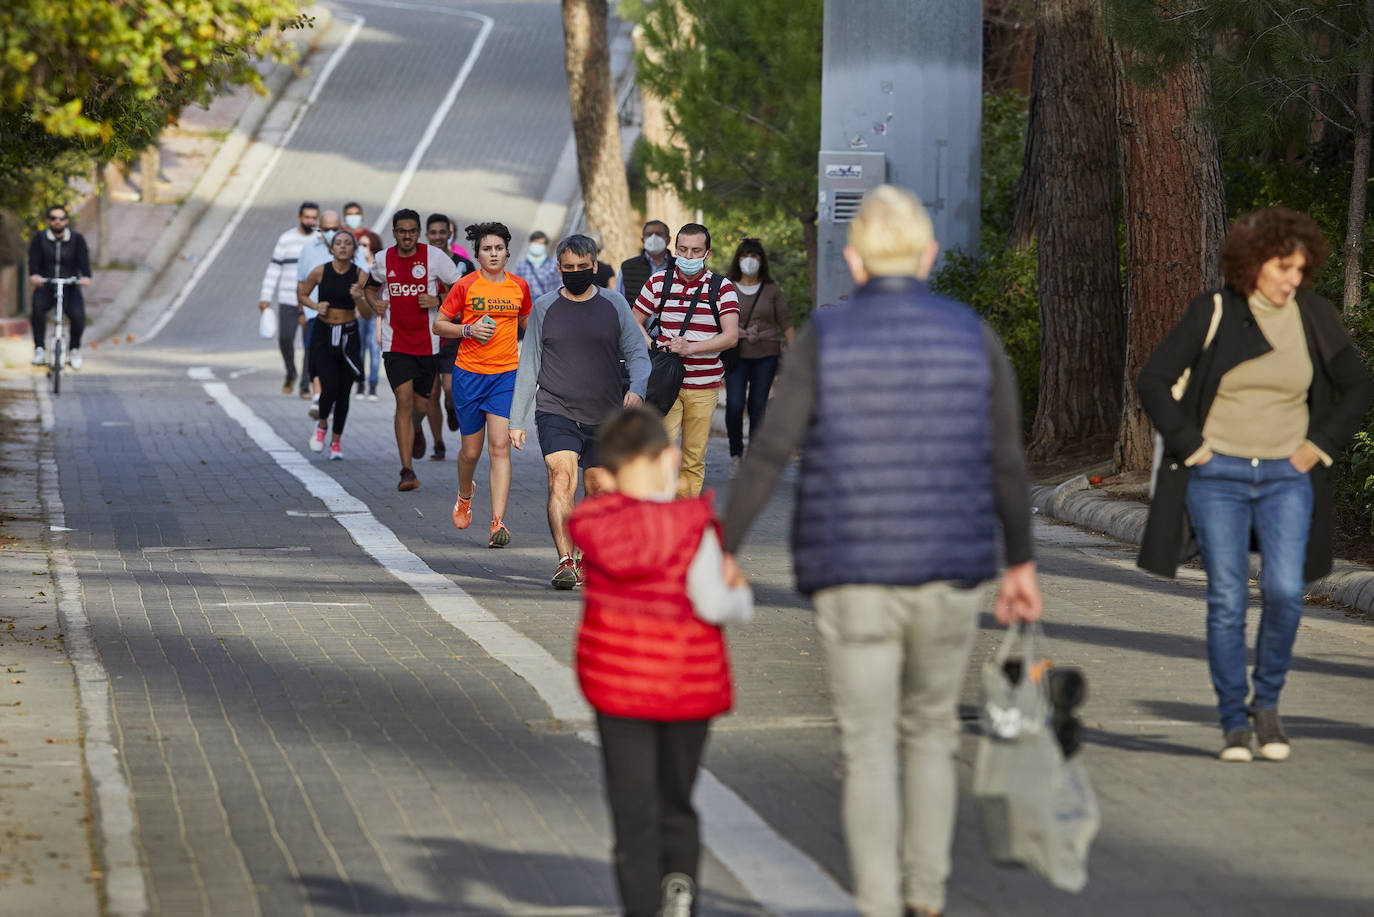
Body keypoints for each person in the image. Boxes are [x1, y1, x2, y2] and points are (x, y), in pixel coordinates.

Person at [721, 185, 1042, 917]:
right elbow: (1006, 461)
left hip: (851, 569)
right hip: (950, 567)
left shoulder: (825, 340)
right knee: (930, 734)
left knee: (867, 745)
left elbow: (771, 448)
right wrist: (1019, 563)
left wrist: (725, 546)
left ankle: (875, 901)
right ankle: (925, 896)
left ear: (853, 260)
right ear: (928, 258)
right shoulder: (972, 336)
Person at [1137, 207, 1374, 763]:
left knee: (1287, 591)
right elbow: (1153, 379)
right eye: (1282, 266)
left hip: (1286, 478)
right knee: (1226, 598)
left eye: (1300, 267)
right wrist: (1191, 445)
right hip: (1216, 476)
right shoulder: (1215, 311)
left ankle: (1266, 706)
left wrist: (1318, 447)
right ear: (1252, 264)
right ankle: (1232, 722)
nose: (1293, 278)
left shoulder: (1313, 315)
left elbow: (1357, 385)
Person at [568, 405, 751, 917]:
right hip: (688, 692)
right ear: (671, 458)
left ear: (604, 474)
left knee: (633, 817)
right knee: (677, 804)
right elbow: (719, 604)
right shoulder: (696, 526)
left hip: (619, 691)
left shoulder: (594, 526)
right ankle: (681, 892)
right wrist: (738, 592)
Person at [510, 234, 653, 589]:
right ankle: (565, 562)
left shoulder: (615, 305)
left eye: (582, 268)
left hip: (605, 415)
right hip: (555, 408)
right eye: (568, 268)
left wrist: (636, 391)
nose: (574, 273)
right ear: (559, 268)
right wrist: (517, 419)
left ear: (594, 267)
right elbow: (529, 364)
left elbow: (638, 354)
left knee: (597, 488)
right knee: (561, 479)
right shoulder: (544, 307)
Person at [434, 221, 533, 546]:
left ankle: (497, 523)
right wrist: (468, 330)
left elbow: (529, 325)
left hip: (505, 375)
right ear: (477, 254)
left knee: (500, 447)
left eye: (498, 248)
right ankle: (465, 494)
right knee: (470, 452)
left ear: (507, 252)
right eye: (487, 249)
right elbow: (439, 325)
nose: (493, 254)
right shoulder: (465, 286)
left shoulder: (518, 286)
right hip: (469, 375)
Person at [632, 223, 739, 498]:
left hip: (704, 385)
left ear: (708, 253)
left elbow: (731, 337)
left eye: (695, 251)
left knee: (693, 459)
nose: (689, 257)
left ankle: (683, 519)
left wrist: (690, 348)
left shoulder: (721, 288)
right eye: (683, 250)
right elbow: (633, 322)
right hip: (665, 384)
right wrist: (654, 344)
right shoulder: (658, 282)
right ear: (675, 249)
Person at [363, 209, 462, 492]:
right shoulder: (383, 260)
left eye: (411, 231)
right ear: (394, 233)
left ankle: (416, 429)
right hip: (395, 344)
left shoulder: (434, 258)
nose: (407, 236)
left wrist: (438, 298)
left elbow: (462, 288)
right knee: (403, 402)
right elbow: (369, 288)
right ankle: (407, 471)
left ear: (418, 232)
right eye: (401, 231)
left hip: (428, 344)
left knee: (420, 406)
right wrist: (374, 304)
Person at [723, 238, 794, 477]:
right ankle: (736, 454)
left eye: (754, 256)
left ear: (762, 260)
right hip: (736, 353)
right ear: (738, 260)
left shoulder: (772, 289)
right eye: (745, 256)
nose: (749, 261)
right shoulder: (727, 286)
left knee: (758, 405)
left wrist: (796, 351)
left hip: (766, 354)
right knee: (734, 405)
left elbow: (785, 320)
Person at [298, 230, 371, 459]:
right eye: (338, 243)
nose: (342, 247)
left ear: (353, 249)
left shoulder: (360, 275)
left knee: (344, 392)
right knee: (329, 386)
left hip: (348, 336)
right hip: (324, 333)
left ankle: (336, 443)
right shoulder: (321, 271)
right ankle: (321, 425)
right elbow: (302, 294)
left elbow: (369, 314)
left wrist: (358, 297)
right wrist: (314, 305)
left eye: (347, 243)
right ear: (331, 248)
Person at [298, 210, 365, 418]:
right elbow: (302, 286)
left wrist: (359, 301)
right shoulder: (309, 250)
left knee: (342, 386)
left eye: (335, 229)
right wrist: (309, 308)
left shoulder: (355, 258)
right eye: (326, 230)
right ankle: (319, 400)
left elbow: (365, 287)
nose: (331, 233)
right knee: (322, 369)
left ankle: (333, 433)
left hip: (347, 327)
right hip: (318, 321)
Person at [426, 213, 478, 459]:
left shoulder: (463, 265)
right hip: (424, 337)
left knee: (449, 389)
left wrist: (438, 300)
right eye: (433, 233)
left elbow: (473, 299)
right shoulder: (419, 264)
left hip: (453, 338)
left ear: (450, 234)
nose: (437, 237)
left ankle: (452, 409)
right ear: (427, 235)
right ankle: (437, 444)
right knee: (431, 393)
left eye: (441, 232)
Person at [260, 201, 319, 395]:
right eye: (307, 217)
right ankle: (291, 372)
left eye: (313, 217)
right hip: (287, 299)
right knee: (285, 338)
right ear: (300, 218)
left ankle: (304, 385)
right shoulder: (286, 239)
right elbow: (274, 268)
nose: (310, 221)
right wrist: (265, 297)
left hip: (311, 302)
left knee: (309, 345)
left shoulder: (319, 241)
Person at [27, 205, 92, 369]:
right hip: (46, 284)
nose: (58, 221)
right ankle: (40, 349)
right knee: (37, 309)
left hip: (69, 286)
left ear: (67, 221)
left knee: (78, 316)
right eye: (54, 218)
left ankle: (75, 349)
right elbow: (33, 260)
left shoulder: (77, 239)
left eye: (61, 218)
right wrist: (34, 275)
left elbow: (84, 260)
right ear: (49, 221)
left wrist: (85, 276)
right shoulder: (39, 239)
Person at [344, 201, 384, 401]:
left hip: (375, 315)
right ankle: (359, 384)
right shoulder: (355, 266)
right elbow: (352, 290)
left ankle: (373, 386)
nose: (362, 248)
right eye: (360, 245)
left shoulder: (379, 268)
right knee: (358, 349)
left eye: (366, 245)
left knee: (374, 350)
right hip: (359, 313)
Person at [616, 220, 672, 304]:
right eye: (649, 235)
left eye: (659, 234)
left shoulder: (678, 267)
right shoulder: (628, 267)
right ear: (643, 240)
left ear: (668, 240)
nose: (654, 238)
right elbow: (619, 301)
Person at [511, 229, 559, 299]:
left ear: (545, 246)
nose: (538, 246)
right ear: (530, 244)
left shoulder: (553, 265)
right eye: (535, 243)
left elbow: (558, 286)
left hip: (545, 303)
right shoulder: (521, 265)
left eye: (541, 244)